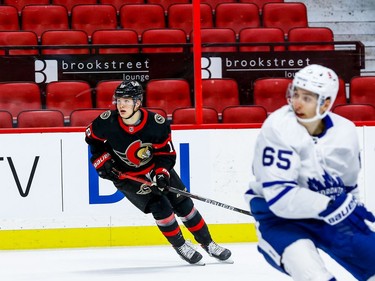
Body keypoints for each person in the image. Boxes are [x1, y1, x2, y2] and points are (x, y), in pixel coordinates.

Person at [245, 64, 375, 281]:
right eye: (295, 94)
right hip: (280, 220)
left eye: (307, 98)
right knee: (315, 277)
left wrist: (355, 212)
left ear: (325, 103)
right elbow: (281, 197)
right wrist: (337, 207)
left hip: (330, 216)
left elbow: (349, 185)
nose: (296, 102)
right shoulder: (277, 127)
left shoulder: (346, 131)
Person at [85, 80, 231, 265]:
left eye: (127, 101)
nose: (121, 105)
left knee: (184, 205)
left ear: (138, 103)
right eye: (119, 100)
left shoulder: (156, 124)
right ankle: (180, 245)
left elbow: (166, 153)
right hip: (128, 176)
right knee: (160, 207)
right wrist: (102, 162)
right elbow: (92, 141)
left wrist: (161, 173)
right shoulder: (106, 122)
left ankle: (208, 243)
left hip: (154, 169)